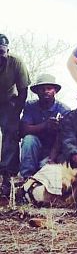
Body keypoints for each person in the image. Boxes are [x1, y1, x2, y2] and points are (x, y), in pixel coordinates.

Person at [19, 74, 70, 179]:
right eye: (42, 89)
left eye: (49, 88)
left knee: (45, 171)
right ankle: (26, 176)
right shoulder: (30, 106)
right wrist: (45, 125)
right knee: (29, 139)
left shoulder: (64, 110)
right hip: (35, 149)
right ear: (37, 92)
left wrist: (51, 159)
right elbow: (23, 130)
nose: (45, 91)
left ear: (55, 91)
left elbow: (62, 138)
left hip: (54, 151)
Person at [0, 34, 30, 196]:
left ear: (7, 51)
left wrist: (15, 115)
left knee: (10, 132)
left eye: (1, 52)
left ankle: (7, 175)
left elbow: (23, 90)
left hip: (8, 101)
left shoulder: (16, 63)